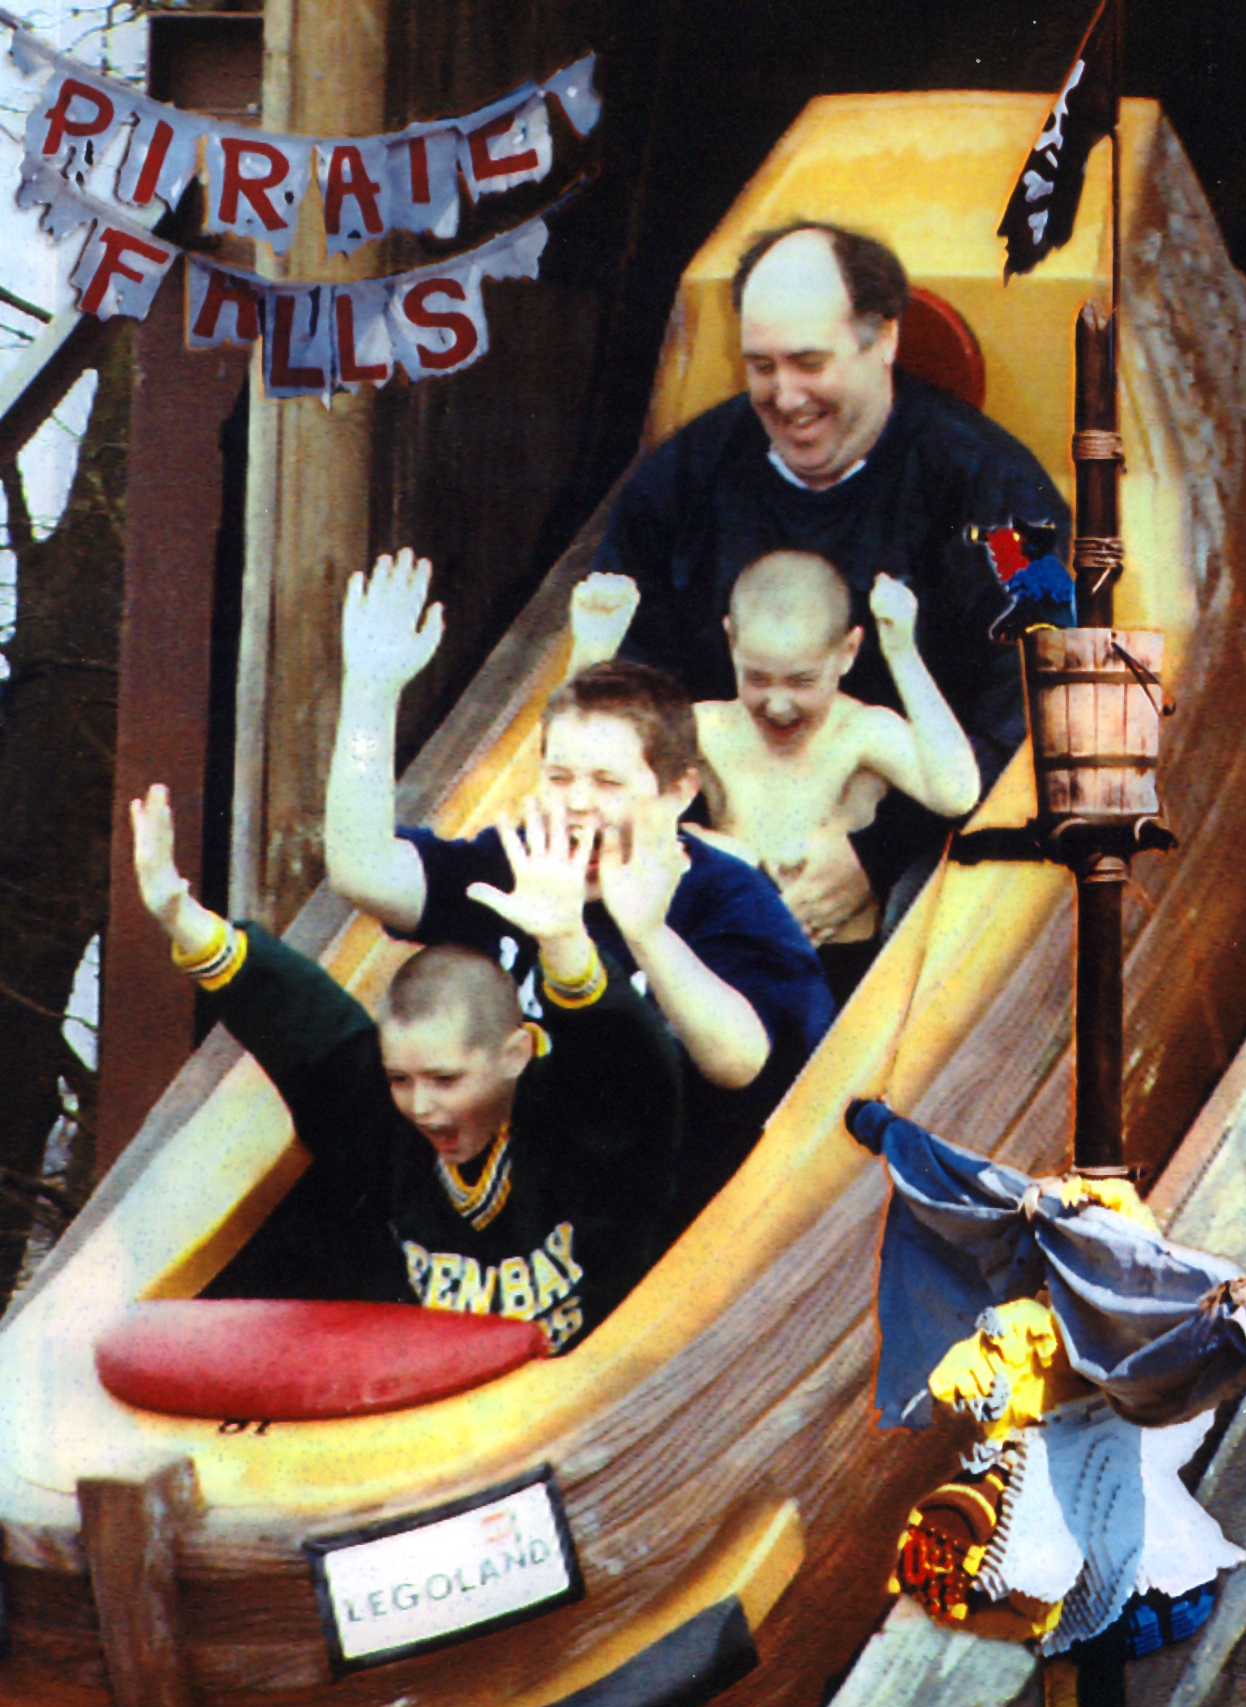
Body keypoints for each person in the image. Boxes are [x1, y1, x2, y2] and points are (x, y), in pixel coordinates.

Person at [324, 551, 835, 1237]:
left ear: (678, 790)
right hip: (518, 1226)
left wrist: (649, 935)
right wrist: (370, 694)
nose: (577, 804)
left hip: (668, 1232)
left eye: (607, 782)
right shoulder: (513, 862)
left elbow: (742, 1061)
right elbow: (362, 869)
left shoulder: (729, 898)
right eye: (560, 777)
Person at [592, 221, 1073, 942]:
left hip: (920, 853)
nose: (786, 397)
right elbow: (623, 692)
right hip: (704, 853)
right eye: (761, 366)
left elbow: (1038, 699)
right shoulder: (677, 484)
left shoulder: (1002, 496)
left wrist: (873, 857)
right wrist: (696, 850)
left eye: (809, 363)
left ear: (884, 340)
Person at [130, 783, 682, 1352]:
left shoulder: (579, 1121)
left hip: (595, 1384)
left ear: (515, 1055)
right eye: (401, 1079)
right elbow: (299, 1017)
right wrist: (180, 915)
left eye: (446, 1080)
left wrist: (565, 944)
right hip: (429, 1392)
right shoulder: (384, 1118)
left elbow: (625, 1066)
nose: (421, 1106)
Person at [692, 553, 980, 1002]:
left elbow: (956, 793)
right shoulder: (706, 729)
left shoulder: (860, 731)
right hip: (732, 967)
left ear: (847, 652)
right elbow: (599, 773)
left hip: (841, 967)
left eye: (802, 681)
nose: (778, 705)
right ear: (731, 642)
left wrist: (902, 653)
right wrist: (698, 842)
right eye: (757, 678)